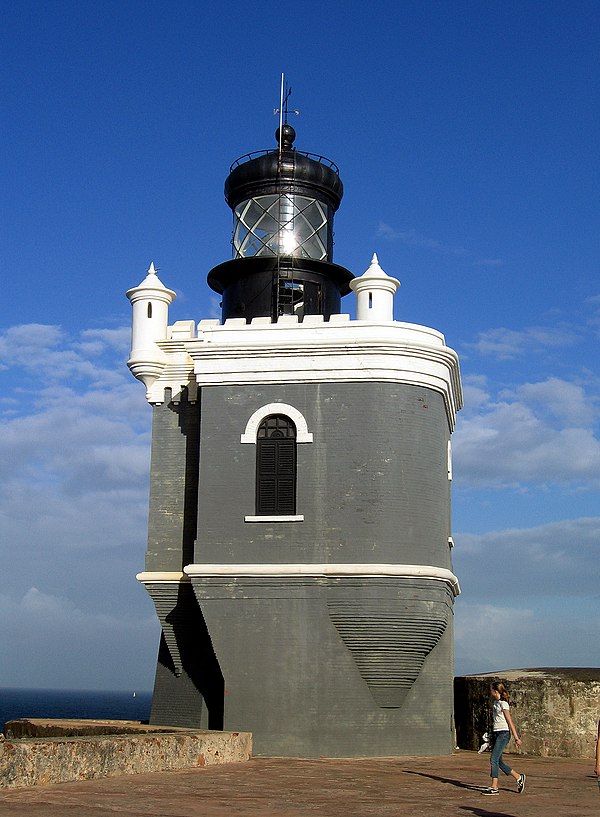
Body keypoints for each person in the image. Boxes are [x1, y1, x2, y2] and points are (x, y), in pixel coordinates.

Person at [481, 681, 526, 796]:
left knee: (493, 759)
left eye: (491, 690)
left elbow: (509, 721)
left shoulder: (503, 704)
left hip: (504, 734)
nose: (490, 692)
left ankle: (494, 787)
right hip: (496, 733)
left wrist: (516, 738)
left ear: (495, 691)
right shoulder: (495, 703)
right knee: (499, 762)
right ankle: (519, 777)